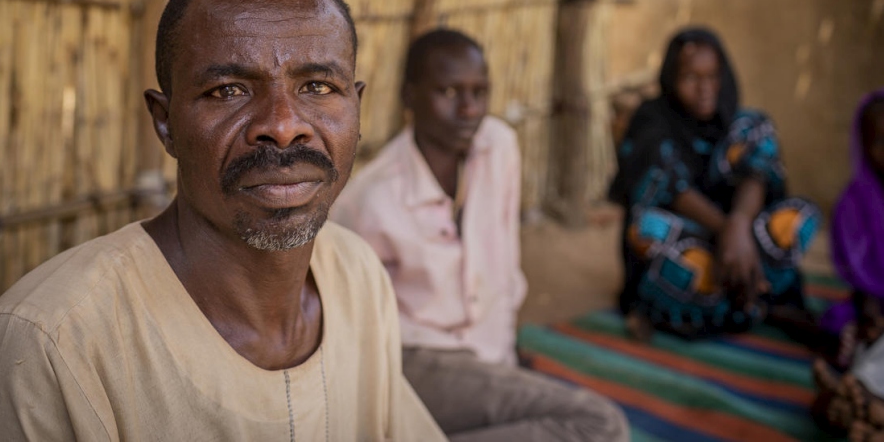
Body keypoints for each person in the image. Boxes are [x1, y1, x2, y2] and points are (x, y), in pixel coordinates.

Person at [0, 0, 445, 441]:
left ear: (357, 108)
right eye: (227, 90)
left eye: (316, 86)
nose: (284, 126)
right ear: (166, 124)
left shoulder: (357, 276)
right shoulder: (44, 350)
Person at [331, 29, 629, 441]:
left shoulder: (499, 147)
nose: (469, 109)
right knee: (599, 424)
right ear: (409, 97)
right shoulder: (369, 199)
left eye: (480, 92)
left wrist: (504, 362)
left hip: (489, 354)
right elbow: (352, 324)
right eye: (449, 92)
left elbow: (503, 263)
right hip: (416, 358)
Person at [608, 27, 821, 340]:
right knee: (647, 231)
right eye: (691, 78)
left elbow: (757, 175)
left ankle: (714, 305)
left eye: (712, 76)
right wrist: (727, 232)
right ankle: (753, 302)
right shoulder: (652, 120)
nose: (705, 88)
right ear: (670, 78)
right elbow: (673, 188)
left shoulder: (743, 125)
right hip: (696, 242)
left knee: (799, 216)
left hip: (744, 243)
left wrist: (739, 225)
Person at [812, 89, 884, 439]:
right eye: (879, 141)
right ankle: (859, 400)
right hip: (873, 311)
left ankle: (855, 402)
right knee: (858, 337)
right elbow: (859, 272)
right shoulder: (855, 203)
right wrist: (869, 308)